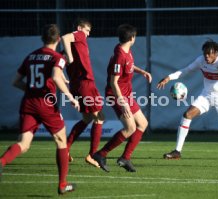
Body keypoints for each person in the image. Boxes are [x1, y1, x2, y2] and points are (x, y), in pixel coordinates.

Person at [0, 24, 79, 194]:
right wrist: (71, 97)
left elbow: (16, 81)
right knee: (61, 141)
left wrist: (31, 90)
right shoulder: (58, 57)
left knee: (24, 143)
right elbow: (56, 77)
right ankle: (62, 184)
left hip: (28, 102)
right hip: (46, 104)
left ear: (42, 38)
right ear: (58, 40)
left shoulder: (31, 56)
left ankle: (1, 162)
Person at [157, 39, 218, 167]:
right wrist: (169, 77)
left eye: (209, 53)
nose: (206, 56)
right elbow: (185, 70)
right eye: (205, 53)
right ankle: (177, 151)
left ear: (216, 53)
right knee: (187, 115)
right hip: (206, 95)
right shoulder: (201, 60)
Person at [92, 24, 152, 172]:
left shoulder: (126, 51)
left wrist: (141, 71)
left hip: (126, 94)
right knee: (130, 127)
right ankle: (101, 154)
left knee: (142, 123)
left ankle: (125, 158)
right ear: (132, 38)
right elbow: (114, 82)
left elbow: (129, 66)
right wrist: (122, 102)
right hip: (116, 95)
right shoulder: (120, 55)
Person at [61, 18, 104, 168]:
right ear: (79, 28)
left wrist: (64, 79)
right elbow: (64, 37)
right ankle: (92, 155)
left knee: (87, 118)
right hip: (85, 84)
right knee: (99, 118)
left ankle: (65, 148)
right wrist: (71, 57)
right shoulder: (78, 36)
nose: (87, 34)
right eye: (87, 31)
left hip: (77, 85)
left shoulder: (73, 46)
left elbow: (57, 65)